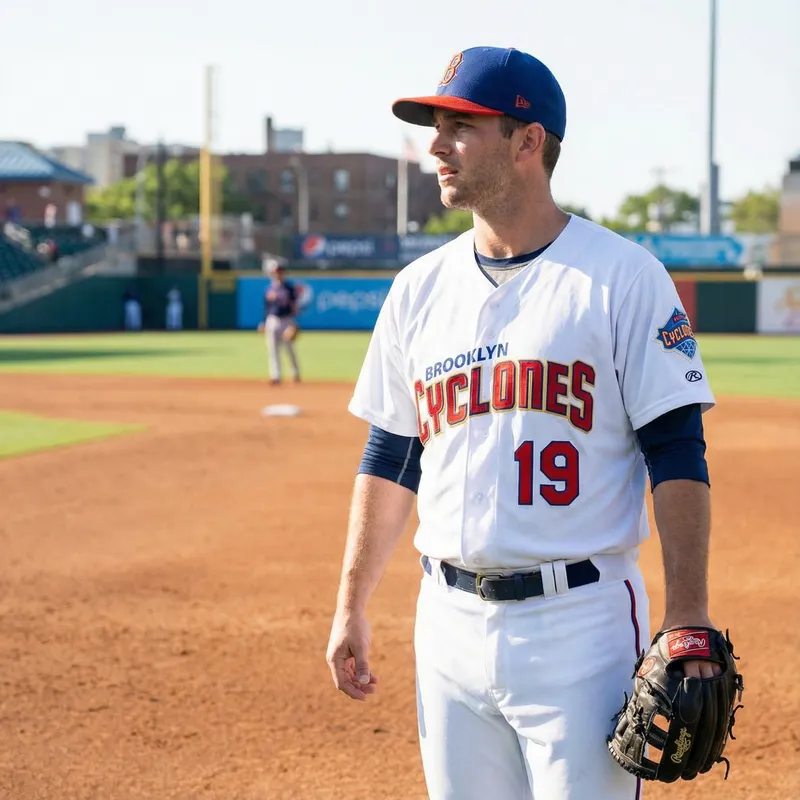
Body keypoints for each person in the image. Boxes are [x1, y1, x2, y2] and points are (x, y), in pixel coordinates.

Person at [326, 46, 725, 799]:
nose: (437, 145)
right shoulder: (418, 289)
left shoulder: (620, 275)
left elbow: (677, 451)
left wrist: (688, 615)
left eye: (462, 126)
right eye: (436, 126)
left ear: (528, 140)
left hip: (580, 625)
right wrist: (352, 603)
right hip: (443, 620)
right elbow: (390, 455)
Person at [259, 260, 301, 385]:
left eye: (280, 272)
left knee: (289, 349)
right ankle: (275, 376)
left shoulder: (289, 288)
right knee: (272, 349)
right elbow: (266, 307)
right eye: (276, 272)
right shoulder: (269, 288)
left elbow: (295, 307)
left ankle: (295, 373)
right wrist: (263, 322)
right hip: (272, 319)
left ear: (284, 273)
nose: (277, 274)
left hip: (286, 320)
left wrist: (294, 323)